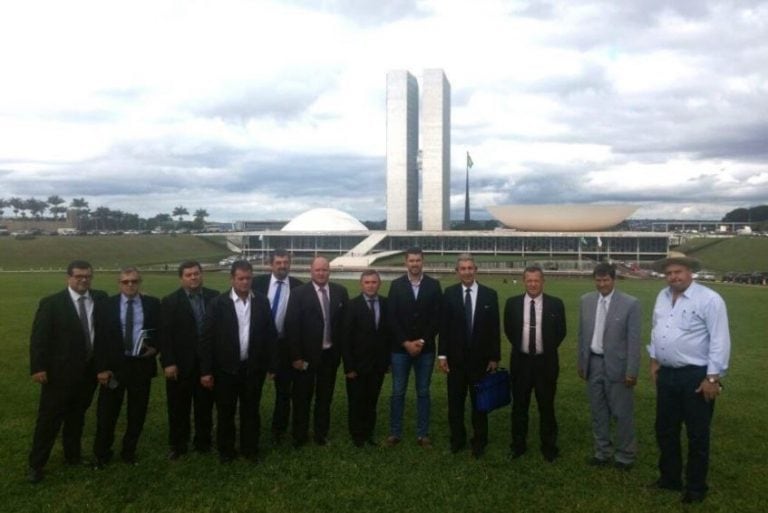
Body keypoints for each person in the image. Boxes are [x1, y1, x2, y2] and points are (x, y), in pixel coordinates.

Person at [647, 252, 731, 504]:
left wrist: (713, 378)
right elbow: (657, 329)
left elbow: (720, 339)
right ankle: (670, 479)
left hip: (697, 376)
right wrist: (654, 361)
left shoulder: (709, 299)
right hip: (667, 374)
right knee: (665, 429)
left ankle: (696, 487)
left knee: (697, 434)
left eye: (678, 272)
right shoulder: (662, 297)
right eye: (669, 273)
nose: (673, 277)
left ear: (689, 272)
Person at [27, 260, 107, 483]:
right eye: (79, 276)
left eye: (87, 276)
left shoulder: (100, 298)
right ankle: (36, 464)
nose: (83, 280)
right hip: (58, 374)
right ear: (68, 278)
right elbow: (39, 339)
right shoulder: (52, 303)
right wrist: (38, 367)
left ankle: (72, 456)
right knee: (49, 420)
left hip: (88, 373)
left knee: (77, 417)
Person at [199, 260, 277, 464]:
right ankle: (226, 451)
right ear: (232, 279)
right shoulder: (218, 303)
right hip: (225, 369)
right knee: (226, 411)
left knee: (251, 410)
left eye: (248, 278)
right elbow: (207, 339)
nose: (245, 282)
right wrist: (206, 371)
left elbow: (270, 335)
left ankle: (250, 449)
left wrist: (271, 365)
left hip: (253, 368)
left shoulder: (261, 301)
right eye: (240, 278)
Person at [93, 267, 161, 468]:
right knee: (106, 414)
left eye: (134, 281)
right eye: (125, 281)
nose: (130, 285)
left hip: (140, 366)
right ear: (119, 283)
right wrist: (102, 368)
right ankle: (102, 454)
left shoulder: (152, 304)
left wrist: (155, 348)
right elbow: (100, 340)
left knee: (137, 413)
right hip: (115, 367)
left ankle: (129, 452)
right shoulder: (106, 305)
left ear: (140, 282)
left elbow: (161, 330)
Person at [577, 263, 641, 469]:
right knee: (598, 411)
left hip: (618, 367)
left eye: (605, 280)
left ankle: (625, 456)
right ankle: (602, 452)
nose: (602, 284)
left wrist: (632, 370)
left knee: (622, 413)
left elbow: (634, 340)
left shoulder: (630, 304)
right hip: (593, 363)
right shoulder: (586, 301)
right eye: (598, 280)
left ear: (614, 280)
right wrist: (582, 362)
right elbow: (582, 334)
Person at [438, 254, 500, 458]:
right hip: (455, 361)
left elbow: (494, 329)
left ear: (476, 270)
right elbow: (444, 327)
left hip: (480, 361)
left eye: (470, 268)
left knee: (479, 405)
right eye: (462, 268)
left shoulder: (490, 295)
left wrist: (494, 357)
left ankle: (479, 442)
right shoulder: (449, 293)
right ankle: (457, 440)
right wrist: (442, 356)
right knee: (455, 404)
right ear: (457, 272)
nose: (466, 271)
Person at [504, 265, 566, 462]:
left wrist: (544, 348)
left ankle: (549, 447)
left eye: (536, 280)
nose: (532, 284)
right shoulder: (512, 303)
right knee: (519, 406)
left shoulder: (555, 304)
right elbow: (509, 330)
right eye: (529, 280)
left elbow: (560, 332)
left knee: (546, 406)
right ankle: (518, 445)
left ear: (543, 282)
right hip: (521, 362)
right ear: (524, 281)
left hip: (545, 363)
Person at [285, 256, 349, 447]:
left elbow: (344, 327)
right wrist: (296, 357)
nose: (321, 273)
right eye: (318, 270)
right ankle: (299, 436)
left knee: (324, 398)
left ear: (330, 271)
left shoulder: (340, 292)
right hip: (305, 357)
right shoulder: (298, 293)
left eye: (325, 270)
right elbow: (292, 326)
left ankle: (321, 434)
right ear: (310, 271)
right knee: (302, 398)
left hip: (329, 356)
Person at [160, 260, 219, 459]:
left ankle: (203, 442)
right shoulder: (170, 301)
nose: (193, 277)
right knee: (178, 407)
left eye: (196, 273)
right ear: (181, 278)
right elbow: (165, 336)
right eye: (188, 275)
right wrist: (168, 362)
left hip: (206, 364)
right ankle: (178, 445)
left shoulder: (214, 297)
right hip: (180, 365)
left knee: (204, 405)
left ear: (202, 274)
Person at [386, 247, 442, 448]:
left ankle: (423, 434)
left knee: (423, 392)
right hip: (400, 349)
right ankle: (395, 432)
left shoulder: (434, 285)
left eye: (418, 260)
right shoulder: (396, 285)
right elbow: (391, 318)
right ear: (406, 262)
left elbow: (437, 318)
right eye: (411, 260)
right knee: (398, 392)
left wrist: (422, 342)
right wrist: (406, 343)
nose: (415, 264)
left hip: (424, 350)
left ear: (423, 261)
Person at [251, 249, 302, 443]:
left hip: (284, 346)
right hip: (257, 345)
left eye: (285, 262)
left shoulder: (298, 286)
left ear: (290, 264)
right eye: (278, 262)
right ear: (270, 264)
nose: (282, 266)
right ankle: (251, 427)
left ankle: (278, 431)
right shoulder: (257, 283)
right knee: (252, 390)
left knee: (284, 392)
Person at [341, 270, 391, 447]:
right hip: (357, 365)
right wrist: (349, 367)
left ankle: (369, 433)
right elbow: (345, 339)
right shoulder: (352, 305)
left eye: (374, 282)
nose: (371, 285)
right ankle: (357, 436)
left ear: (379, 284)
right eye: (367, 282)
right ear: (361, 285)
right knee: (356, 401)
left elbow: (387, 335)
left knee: (371, 401)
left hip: (377, 365)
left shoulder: (386, 304)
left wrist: (386, 363)